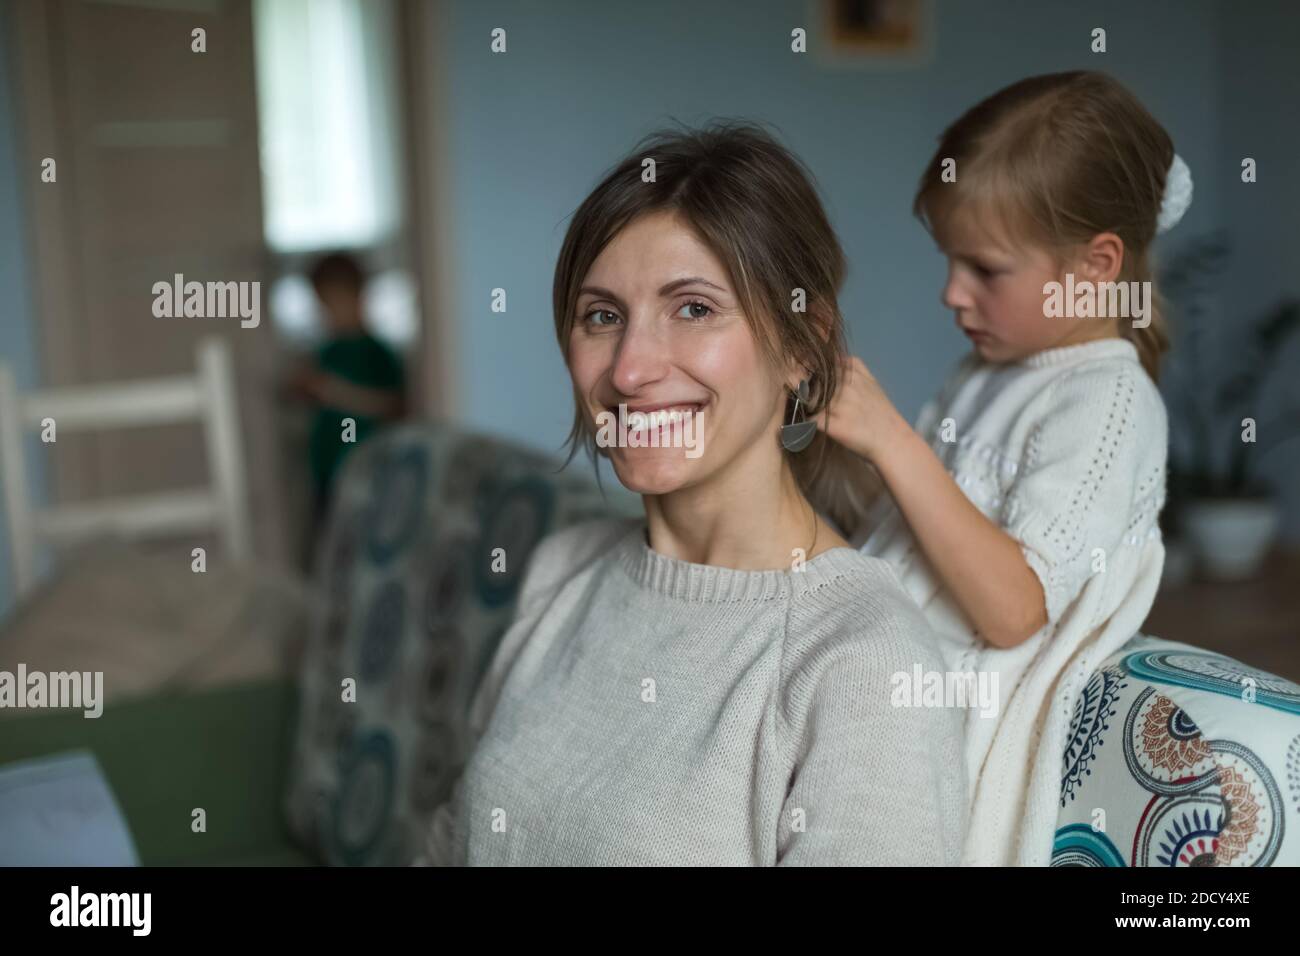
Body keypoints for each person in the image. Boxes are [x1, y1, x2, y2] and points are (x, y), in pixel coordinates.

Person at [418, 122, 967, 865]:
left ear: (802, 348)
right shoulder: (562, 569)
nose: (631, 369)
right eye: (602, 316)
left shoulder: (862, 660)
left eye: (695, 309)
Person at [818, 72, 1179, 864]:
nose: (952, 293)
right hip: (869, 671)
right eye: (949, 262)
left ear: (1095, 266)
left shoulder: (1109, 403)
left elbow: (1014, 608)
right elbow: (917, 532)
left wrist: (894, 441)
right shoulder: (984, 376)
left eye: (984, 269)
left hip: (933, 724)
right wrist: (842, 442)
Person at [289, 252, 406, 539]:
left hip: (368, 470)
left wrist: (336, 392)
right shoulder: (326, 351)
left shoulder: (378, 353)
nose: (327, 313)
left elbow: (392, 405)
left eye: (332, 303)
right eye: (322, 305)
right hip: (326, 471)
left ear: (359, 295)